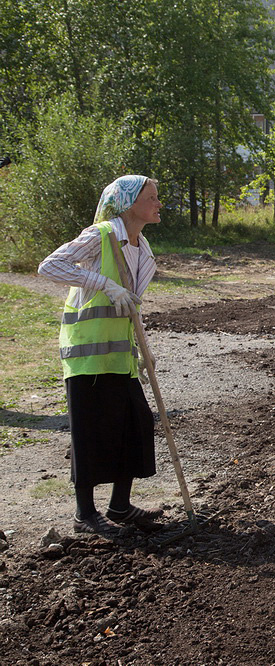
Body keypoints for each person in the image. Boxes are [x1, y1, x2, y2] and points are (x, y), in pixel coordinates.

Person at [38, 175, 166, 536]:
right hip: (87, 351)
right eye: (152, 197)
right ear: (128, 203)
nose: (159, 204)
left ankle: (120, 507)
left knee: (135, 423)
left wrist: (145, 349)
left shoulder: (142, 248)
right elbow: (49, 266)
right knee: (91, 429)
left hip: (120, 353)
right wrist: (103, 284)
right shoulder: (101, 235)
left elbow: (132, 306)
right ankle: (85, 514)